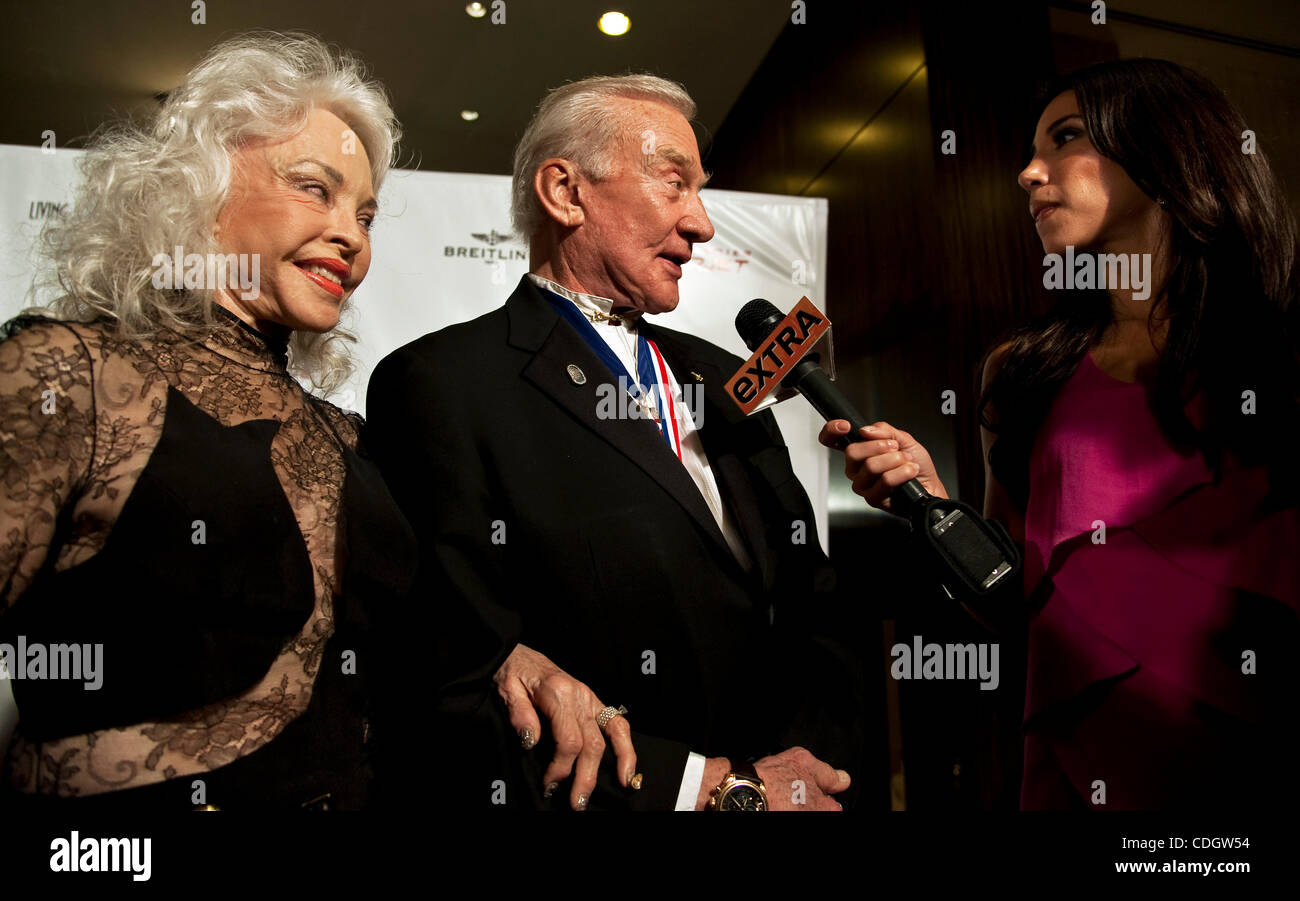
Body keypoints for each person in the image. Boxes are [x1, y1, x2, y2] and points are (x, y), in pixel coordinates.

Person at [366, 74, 862, 811]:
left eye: (701, 190)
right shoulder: (440, 382)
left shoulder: (726, 377)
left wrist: (804, 767)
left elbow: (810, 601)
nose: (702, 224)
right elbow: (456, 676)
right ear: (565, 192)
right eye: (673, 184)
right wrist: (715, 790)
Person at [820, 58, 1299, 810]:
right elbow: (1015, 600)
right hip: (1074, 776)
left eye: (1065, 138)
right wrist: (934, 509)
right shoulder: (1020, 374)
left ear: (1166, 148)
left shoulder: (1281, 353)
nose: (1025, 173)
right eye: (1029, 150)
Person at [0, 32, 413, 810]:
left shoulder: (347, 439)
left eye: (366, 214)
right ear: (199, 190)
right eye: (314, 189)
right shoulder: (75, 374)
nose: (351, 236)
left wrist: (518, 661)